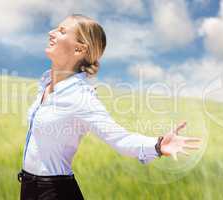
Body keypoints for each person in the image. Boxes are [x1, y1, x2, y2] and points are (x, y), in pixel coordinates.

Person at [17, 13, 202, 200]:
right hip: (28, 188)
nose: (52, 32)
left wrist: (157, 145)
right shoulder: (46, 86)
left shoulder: (81, 97)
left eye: (62, 31)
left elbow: (119, 138)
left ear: (79, 50)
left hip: (55, 193)